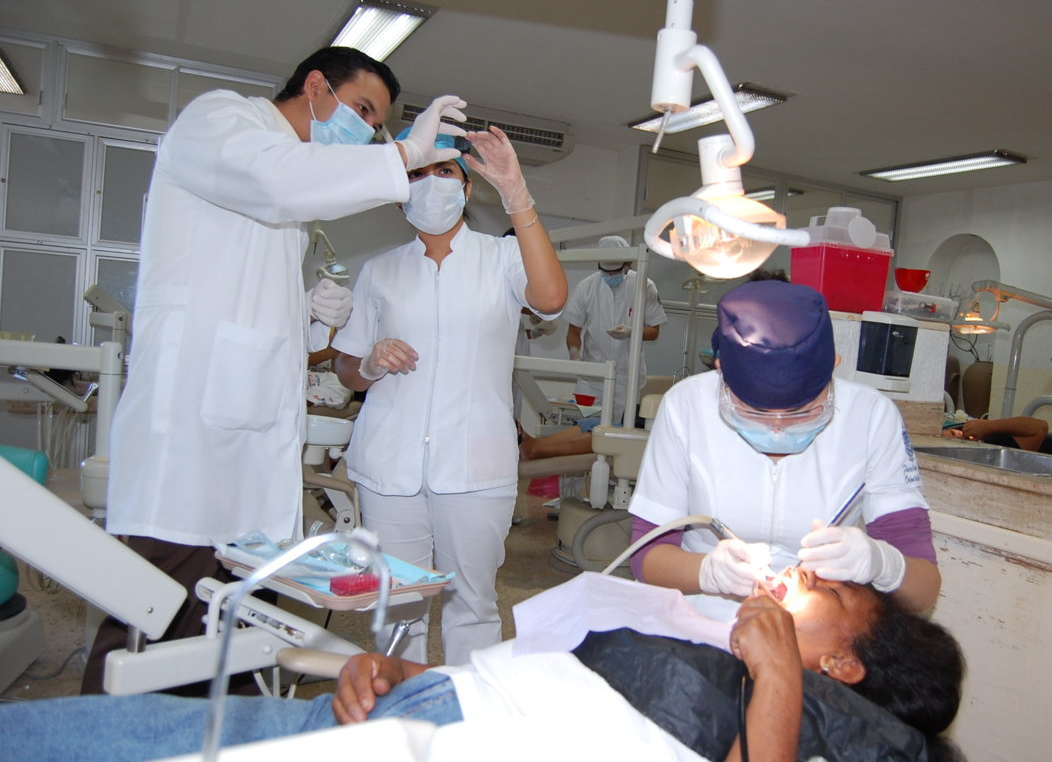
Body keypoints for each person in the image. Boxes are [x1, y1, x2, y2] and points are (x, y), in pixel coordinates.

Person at [85, 47, 470, 695]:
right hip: (190, 447)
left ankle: (229, 732)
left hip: (246, 452)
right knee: (153, 624)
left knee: (239, 634)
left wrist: (310, 317)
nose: (367, 131)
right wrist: (404, 155)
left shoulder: (287, 183)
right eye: (362, 110)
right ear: (316, 86)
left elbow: (247, 303)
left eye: (377, 125)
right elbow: (278, 182)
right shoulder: (221, 120)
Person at [0, 570, 965, 762]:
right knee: (113, 734)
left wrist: (779, 676)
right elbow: (551, 673)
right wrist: (396, 670)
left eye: (833, 593)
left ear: (845, 664)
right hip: (425, 706)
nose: (804, 576)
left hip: (446, 744)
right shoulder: (730, 658)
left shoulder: (823, 733)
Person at [332, 126, 567, 666]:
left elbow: (552, 297)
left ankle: (469, 709)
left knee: (472, 603)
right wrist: (368, 362)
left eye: (445, 171)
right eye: (418, 173)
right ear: (399, 192)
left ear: (467, 188)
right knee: (398, 605)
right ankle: (403, 706)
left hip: (475, 464)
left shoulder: (502, 258)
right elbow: (347, 369)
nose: (432, 183)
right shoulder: (380, 270)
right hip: (389, 465)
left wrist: (517, 194)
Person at [628, 281, 942, 619]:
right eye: (755, 411)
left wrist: (883, 565)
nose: (778, 429)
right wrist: (706, 572)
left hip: (817, 626)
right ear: (722, 370)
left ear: (833, 367)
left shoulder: (872, 417)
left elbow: (923, 591)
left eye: (802, 411)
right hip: (700, 615)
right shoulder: (686, 406)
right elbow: (647, 556)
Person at [564, 235, 667, 427]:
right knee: (584, 427)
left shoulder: (645, 286)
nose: (611, 276)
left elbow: (654, 331)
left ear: (628, 264)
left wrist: (633, 332)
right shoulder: (586, 287)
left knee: (620, 430)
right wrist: (575, 355)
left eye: (616, 271)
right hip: (592, 377)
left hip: (627, 377)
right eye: (607, 271)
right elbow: (573, 331)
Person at [942, 415, 1052, 456]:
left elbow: (1040, 426)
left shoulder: (994, 440)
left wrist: (988, 426)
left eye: (954, 432)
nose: (960, 435)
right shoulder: (995, 450)